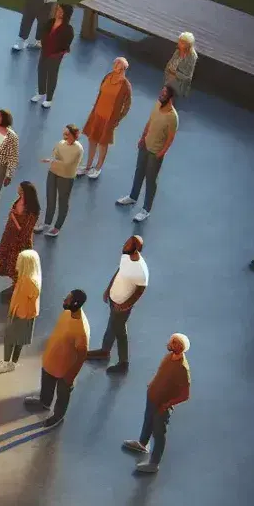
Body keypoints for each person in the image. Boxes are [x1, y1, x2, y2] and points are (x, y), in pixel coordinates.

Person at [124, 333, 191, 474]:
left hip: (162, 405)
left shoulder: (182, 369)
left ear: (180, 347)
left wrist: (167, 405)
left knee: (159, 433)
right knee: (148, 420)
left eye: (174, 342)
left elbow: (185, 395)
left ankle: (154, 463)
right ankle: (142, 444)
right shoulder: (168, 357)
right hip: (153, 398)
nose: (170, 343)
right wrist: (152, 384)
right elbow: (160, 372)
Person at [24, 289, 90, 427]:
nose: (64, 300)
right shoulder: (67, 312)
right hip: (52, 360)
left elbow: (82, 355)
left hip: (65, 369)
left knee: (63, 394)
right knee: (47, 384)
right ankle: (44, 402)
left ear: (75, 303)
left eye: (68, 299)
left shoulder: (81, 329)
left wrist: (70, 375)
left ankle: (58, 416)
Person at [88, 235, 148, 373]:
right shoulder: (126, 256)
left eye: (128, 244)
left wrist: (126, 305)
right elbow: (119, 272)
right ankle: (105, 351)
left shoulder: (141, 269)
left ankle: (123, 363)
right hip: (114, 301)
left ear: (135, 249)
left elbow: (140, 290)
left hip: (121, 306)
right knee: (113, 326)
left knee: (120, 332)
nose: (124, 245)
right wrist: (108, 289)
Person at [116, 87, 178, 222]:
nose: (160, 95)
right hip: (145, 145)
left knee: (150, 180)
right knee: (139, 172)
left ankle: (146, 209)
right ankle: (133, 197)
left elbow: (170, 138)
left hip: (155, 152)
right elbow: (150, 122)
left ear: (170, 98)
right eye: (161, 92)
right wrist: (142, 137)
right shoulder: (157, 105)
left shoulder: (173, 117)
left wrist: (162, 152)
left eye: (164, 94)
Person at [79, 58, 132, 180]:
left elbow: (127, 105)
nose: (115, 65)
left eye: (118, 64)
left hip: (109, 119)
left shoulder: (125, 85)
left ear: (123, 68)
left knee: (103, 143)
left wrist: (118, 119)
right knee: (92, 139)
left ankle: (98, 167)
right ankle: (88, 165)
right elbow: (101, 92)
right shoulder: (108, 76)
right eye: (115, 63)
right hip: (97, 113)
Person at [0, 181, 40, 295]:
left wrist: (13, 217)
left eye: (20, 189)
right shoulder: (19, 200)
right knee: (9, 261)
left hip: (19, 241)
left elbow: (26, 228)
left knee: (17, 264)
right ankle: (15, 284)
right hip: (10, 236)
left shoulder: (31, 209)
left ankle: (17, 286)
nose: (17, 190)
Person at [36, 124, 83, 235]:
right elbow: (55, 154)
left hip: (66, 177)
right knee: (50, 198)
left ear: (74, 135)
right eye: (64, 134)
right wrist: (54, 160)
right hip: (53, 172)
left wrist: (52, 161)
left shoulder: (78, 149)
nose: (64, 136)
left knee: (63, 201)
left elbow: (67, 163)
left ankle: (57, 227)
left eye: (67, 134)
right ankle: (47, 222)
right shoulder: (60, 143)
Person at [1, 249, 41, 371]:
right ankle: (12, 363)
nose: (17, 262)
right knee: (19, 341)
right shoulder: (30, 277)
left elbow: (28, 297)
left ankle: (6, 363)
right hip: (25, 314)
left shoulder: (28, 281)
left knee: (9, 339)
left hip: (20, 315)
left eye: (20, 260)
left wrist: (17, 312)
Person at [31, 3, 74, 108]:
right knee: (41, 71)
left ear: (66, 14)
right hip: (45, 51)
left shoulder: (68, 29)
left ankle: (49, 99)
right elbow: (44, 33)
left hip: (56, 55)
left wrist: (58, 52)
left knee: (52, 75)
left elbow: (67, 43)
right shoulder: (50, 22)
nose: (58, 12)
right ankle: (41, 92)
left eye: (61, 11)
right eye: (58, 9)